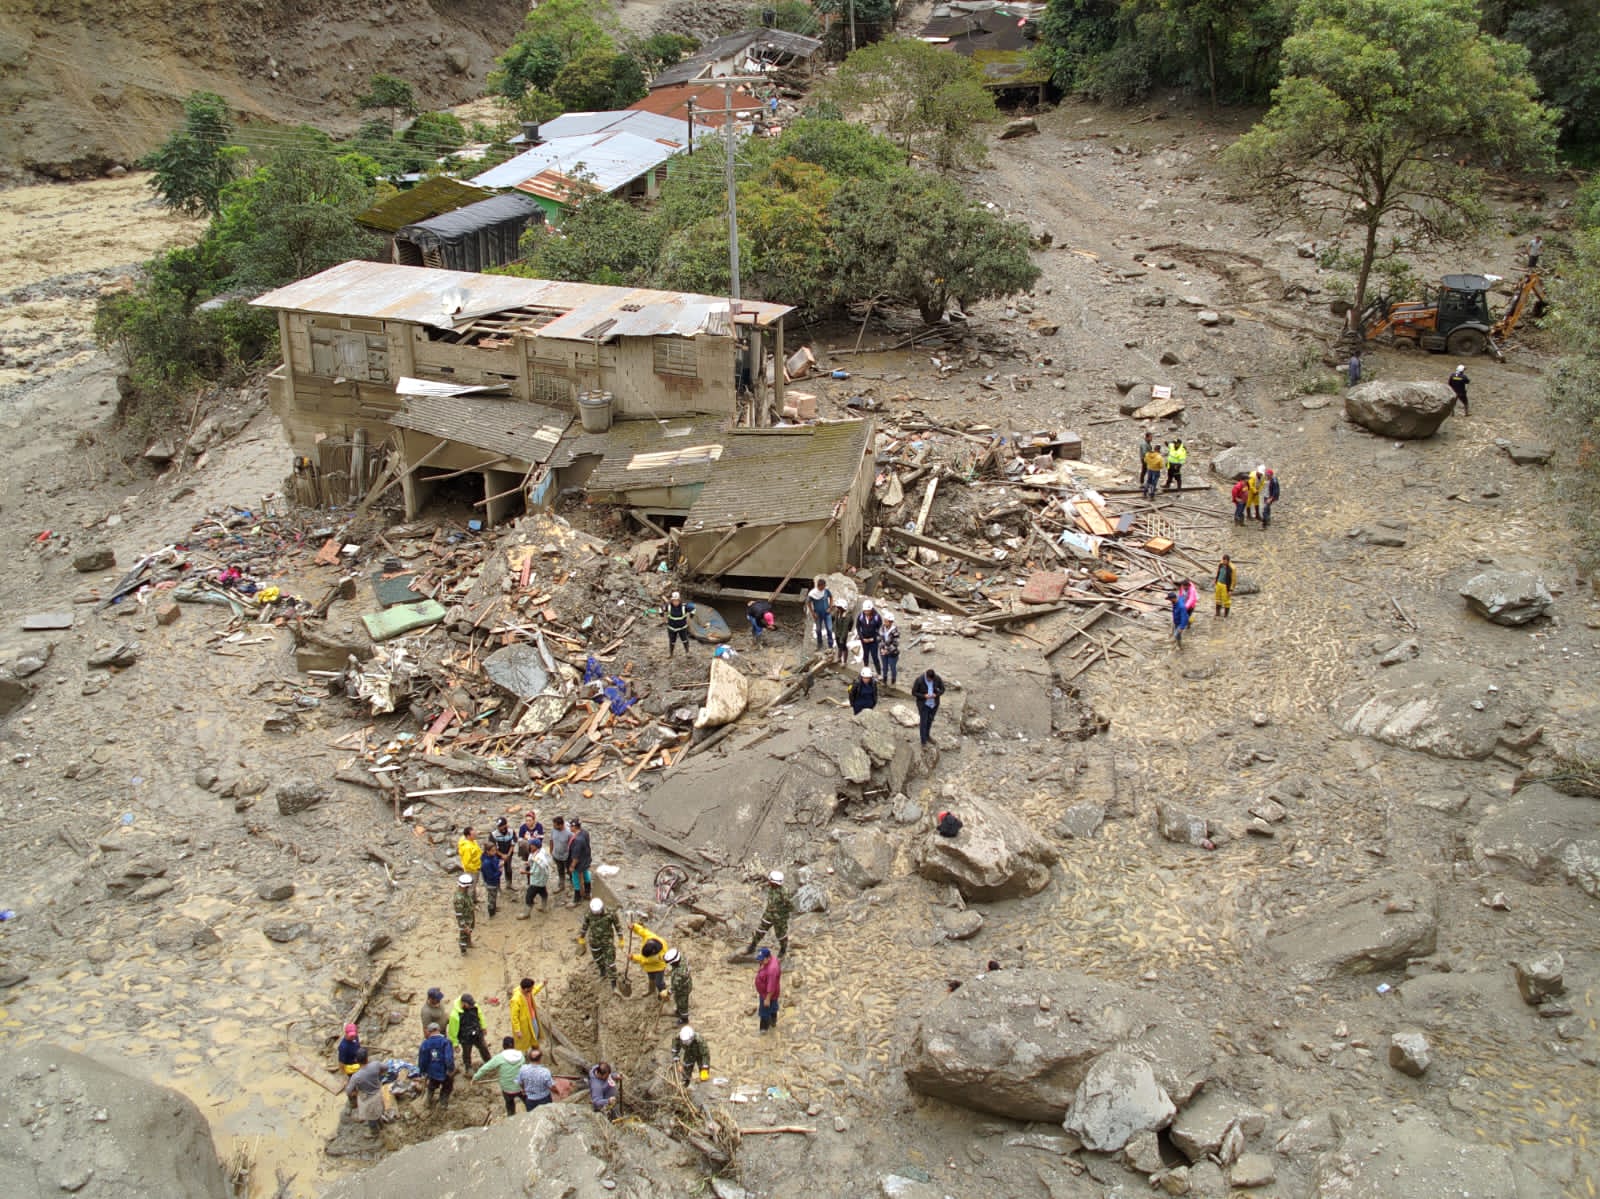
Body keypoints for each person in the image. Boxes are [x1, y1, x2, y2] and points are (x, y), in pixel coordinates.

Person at [472, 1036, 527, 1117]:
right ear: (514, 1045)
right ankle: (531, 1111)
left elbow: (485, 1068)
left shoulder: (499, 1058)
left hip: (507, 1088)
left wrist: (475, 1078)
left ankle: (511, 1116)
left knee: (509, 1103)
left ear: (503, 1046)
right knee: (527, 1101)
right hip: (520, 1087)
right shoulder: (521, 1056)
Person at [744, 870, 792, 958]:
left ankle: (783, 950)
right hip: (768, 915)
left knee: (781, 935)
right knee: (760, 931)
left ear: (775, 882)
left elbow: (790, 906)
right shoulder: (771, 888)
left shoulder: (784, 892)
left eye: (770, 881)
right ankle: (752, 946)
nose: (769, 882)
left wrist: (782, 915)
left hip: (779, 918)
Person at [579, 897, 622, 986]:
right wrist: (581, 937)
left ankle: (613, 982)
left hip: (607, 941)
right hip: (594, 941)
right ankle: (602, 970)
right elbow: (585, 926)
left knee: (610, 963)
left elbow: (617, 926)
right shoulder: (589, 914)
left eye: (598, 912)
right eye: (594, 912)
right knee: (597, 958)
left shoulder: (611, 913)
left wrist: (621, 938)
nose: (596, 914)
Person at [344, 1049, 387, 1134]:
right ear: (367, 1058)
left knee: (371, 1118)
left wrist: (354, 1092)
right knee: (378, 1111)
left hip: (367, 1099)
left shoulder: (356, 1077)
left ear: (357, 1061)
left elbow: (348, 1091)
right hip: (378, 1094)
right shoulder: (375, 1065)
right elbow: (386, 1068)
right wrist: (378, 1074)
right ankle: (381, 1124)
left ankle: (374, 1132)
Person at [448, 993, 491, 1072]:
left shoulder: (474, 1006)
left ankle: (489, 1063)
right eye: (470, 1005)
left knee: (484, 1048)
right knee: (467, 1053)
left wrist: (483, 1027)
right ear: (464, 1003)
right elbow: (452, 1031)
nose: (472, 1006)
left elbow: (480, 1015)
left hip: (477, 1032)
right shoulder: (454, 1015)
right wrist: (455, 1044)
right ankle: (468, 1068)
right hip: (465, 1037)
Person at [417, 1021, 455, 1108]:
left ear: (429, 1032)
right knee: (447, 1087)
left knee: (432, 1086)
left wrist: (422, 1071)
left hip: (432, 1072)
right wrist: (450, 1069)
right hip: (444, 1071)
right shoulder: (445, 1042)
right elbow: (449, 1058)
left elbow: (422, 1059)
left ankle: (428, 1101)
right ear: (438, 1030)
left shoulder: (425, 1044)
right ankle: (443, 1103)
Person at [629, 922, 671, 1000]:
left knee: (659, 983)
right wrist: (634, 926)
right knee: (651, 979)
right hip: (649, 968)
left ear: (653, 953)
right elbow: (642, 931)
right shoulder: (650, 937)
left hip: (659, 968)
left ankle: (665, 996)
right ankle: (651, 990)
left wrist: (633, 957)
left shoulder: (660, 956)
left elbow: (644, 960)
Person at [510, 977, 545, 1055]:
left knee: (534, 1037)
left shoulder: (529, 993)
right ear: (526, 989)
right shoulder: (516, 1000)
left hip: (532, 1019)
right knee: (524, 1042)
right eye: (531, 988)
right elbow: (514, 1017)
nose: (532, 990)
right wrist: (517, 1030)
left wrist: (542, 984)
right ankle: (524, 1055)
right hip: (524, 1024)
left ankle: (535, 1052)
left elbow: (535, 990)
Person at [912, 667, 946, 747]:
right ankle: (923, 741)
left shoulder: (937, 678)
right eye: (929, 680)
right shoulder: (919, 680)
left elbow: (943, 689)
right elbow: (914, 692)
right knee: (923, 723)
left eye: (932, 680)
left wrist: (936, 694)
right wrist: (924, 696)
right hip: (924, 705)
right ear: (926, 676)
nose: (931, 681)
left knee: (930, 721)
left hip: (934, 705)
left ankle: (927, 736)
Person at [521, 836, 552, 917]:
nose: (529, 846)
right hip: (542, 879)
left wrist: (524, 872)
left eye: (530, 845)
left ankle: (526, 913)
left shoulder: (538, 858)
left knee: (529, 896)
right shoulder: (540, 852)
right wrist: (529, 863)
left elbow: (534, 872)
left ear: (534, 846)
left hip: (536, 881)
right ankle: (544, 907)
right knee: (543, 892)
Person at [516, 1047, 554, 1112]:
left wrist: (524, 1089)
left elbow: (520, 1082)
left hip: (530, 1099)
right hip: (544, 1098)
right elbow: (551, 1086)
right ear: (540, 1058)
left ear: (529, 1058)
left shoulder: (523, 1069)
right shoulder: (545, 1071)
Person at [754, 947, 782, 1033]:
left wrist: (767, 999)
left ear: (768, 958)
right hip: (771, 993)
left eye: (762, 960)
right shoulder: (771, 959)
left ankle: (763, 1030)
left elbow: (771, 986)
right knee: (773, 1007)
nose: (760, 962)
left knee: (764, 1012)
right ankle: (773, 1021)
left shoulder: (771, 970)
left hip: (767, 995)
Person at [568, 817, 593, 904]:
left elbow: (575, 857)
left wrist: (572, 866)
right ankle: (587, 892)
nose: (570, 828)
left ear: (574, 827)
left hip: (579, 863)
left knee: (576, 880)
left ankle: (577, 898)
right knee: (586, 874)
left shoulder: (577, 840)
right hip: (586, 859)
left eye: (571, 826)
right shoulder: (585, 833)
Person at [855, 599, 883, 675]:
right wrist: (862, 638)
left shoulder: (877, 617)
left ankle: (879, 673)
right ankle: (866, 670)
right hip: (864, 640)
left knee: (874, 657)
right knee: (865, 656)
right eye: (865, 611)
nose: (866, 612)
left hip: (873, 641)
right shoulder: (861, 616)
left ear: (871, 609)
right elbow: (858, 627)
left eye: (868, 611)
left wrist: (873, 639)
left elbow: (880, 630)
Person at [805, 577, 834, 650]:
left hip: (827, 613)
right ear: (819, 586)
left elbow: (831, 597)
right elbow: (808, 603)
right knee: (818, 629)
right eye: (823, 586)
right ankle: (819, 643)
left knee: (829, 629)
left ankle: (830, 644)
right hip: (818, 614)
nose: (824, 588)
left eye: (824, 586)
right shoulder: (812, 593)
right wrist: (812, 613)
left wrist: (830, 607)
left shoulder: (826, 591)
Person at [664, 590, 695, 657]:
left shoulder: (684, 606)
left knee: (685, 640)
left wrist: (690, 618)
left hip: (682, 628)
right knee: (672, 641)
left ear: (679, 600)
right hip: (671, 628)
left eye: (677, 600)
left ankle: (687, 653)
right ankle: (671, 654)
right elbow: (661, 609)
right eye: (674, 600)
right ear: (672, 600)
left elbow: (693, 609)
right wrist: (663, 619)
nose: (675, 602)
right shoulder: (668, 606)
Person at [666, 947, 692, 1025]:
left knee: (682, 1004)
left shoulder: (679, 973)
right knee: (677, 999)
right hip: (686, 984)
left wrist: (668, 992)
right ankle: (678, 1010)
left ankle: (684, 1019)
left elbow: (675, 987)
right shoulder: (682, 958)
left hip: (683, 989)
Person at [480, 839, 504, 917]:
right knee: (491, 898)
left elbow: (496, 861)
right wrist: (500, 871)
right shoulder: (486, 863)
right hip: (491, 883)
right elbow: (491, 877)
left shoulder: (492, 856)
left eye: (495, 850)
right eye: (493, 851)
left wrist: (499, 863)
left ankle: (494, 908)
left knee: (494, 896)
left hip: (495, 881)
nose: (495, 852)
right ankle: (491, 913)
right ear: (487, 851)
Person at [549, 816, 572, 895]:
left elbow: (572, 845)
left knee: (569, 871)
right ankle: (561, 886)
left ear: (561, 825)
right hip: (556, 855)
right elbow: (551, 840)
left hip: (566, 857)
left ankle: (574, 883)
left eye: (555, 825)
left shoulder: (569, 833)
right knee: (560, 871)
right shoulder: (553, 830)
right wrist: (551, 850)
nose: (553, 826)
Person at [490, 816, 516, 887]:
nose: (499, 828)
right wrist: (502, 855)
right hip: (497, 855)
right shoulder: (494, 834)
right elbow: (493, 848)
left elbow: (513, 844)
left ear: (505, 825)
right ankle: (497, 887)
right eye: (498, 826)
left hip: (508, 854)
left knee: (508, 869)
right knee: (497, 870)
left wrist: (508, 854)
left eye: (501, 826)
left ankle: (509, 884)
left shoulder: (511, 832)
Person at [453, 872, 476, 953]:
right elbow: (459, 915)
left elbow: (468, 901)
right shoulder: (459, 899)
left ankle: (469, 943)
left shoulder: (464, 893)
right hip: (464, 921)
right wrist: (464, 926)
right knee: (463, 936)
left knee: (469, 931)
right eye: (468, 886)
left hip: (469, 917)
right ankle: (463, 950)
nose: (469, 888)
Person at [879, 612, 900, 686]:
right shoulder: (882, 628)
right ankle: (884, 680)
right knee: (884, 667)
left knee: (892, 667)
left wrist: (887, 651)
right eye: (884, 621)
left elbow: (896, 644)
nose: (884, 622)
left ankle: (893, 681)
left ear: (890, 622)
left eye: (886, 621)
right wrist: (881, 648)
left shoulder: (895, 631)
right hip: (883, 651)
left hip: (892, 653)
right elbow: (880, 638)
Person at [831, 598, 851, 666]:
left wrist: (842, 638)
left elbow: (845, 629)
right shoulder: (837, 612)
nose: (837, 608)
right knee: (839, 646)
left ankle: (844, 662)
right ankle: (839, 658)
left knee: (843, 647)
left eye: (838, 607)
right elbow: (832, 617)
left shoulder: (847, 617)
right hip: (837, 632)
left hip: (842, 634)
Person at [1214, 554, 1234, 618]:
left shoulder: (1231, 569)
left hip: (1225, 586)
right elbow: (1218, 573)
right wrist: (1216, 581)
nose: (1224, 561)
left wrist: (1231, 589)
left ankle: (1226, 613)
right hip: (1219, 584)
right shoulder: (1220, 565)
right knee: (1218, 598)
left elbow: (1233, 580)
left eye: (1225, 560)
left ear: (1228, 561)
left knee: (1226, 600)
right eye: (1223, 560)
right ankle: (1218, 611)